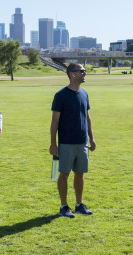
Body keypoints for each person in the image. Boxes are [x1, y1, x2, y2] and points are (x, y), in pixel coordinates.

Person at [49, 63, 96, 218]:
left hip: (82, 142)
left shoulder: (84, 94)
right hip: (66, 143)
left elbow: (87, 117)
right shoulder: (61, 95)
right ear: (72, 74)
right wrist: (53, 144)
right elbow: (55, 121)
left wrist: (91, 137)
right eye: (82, 71)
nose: (85, 73)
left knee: (80, 174)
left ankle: (79, 204)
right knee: (64, 174)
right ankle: (64, 206)